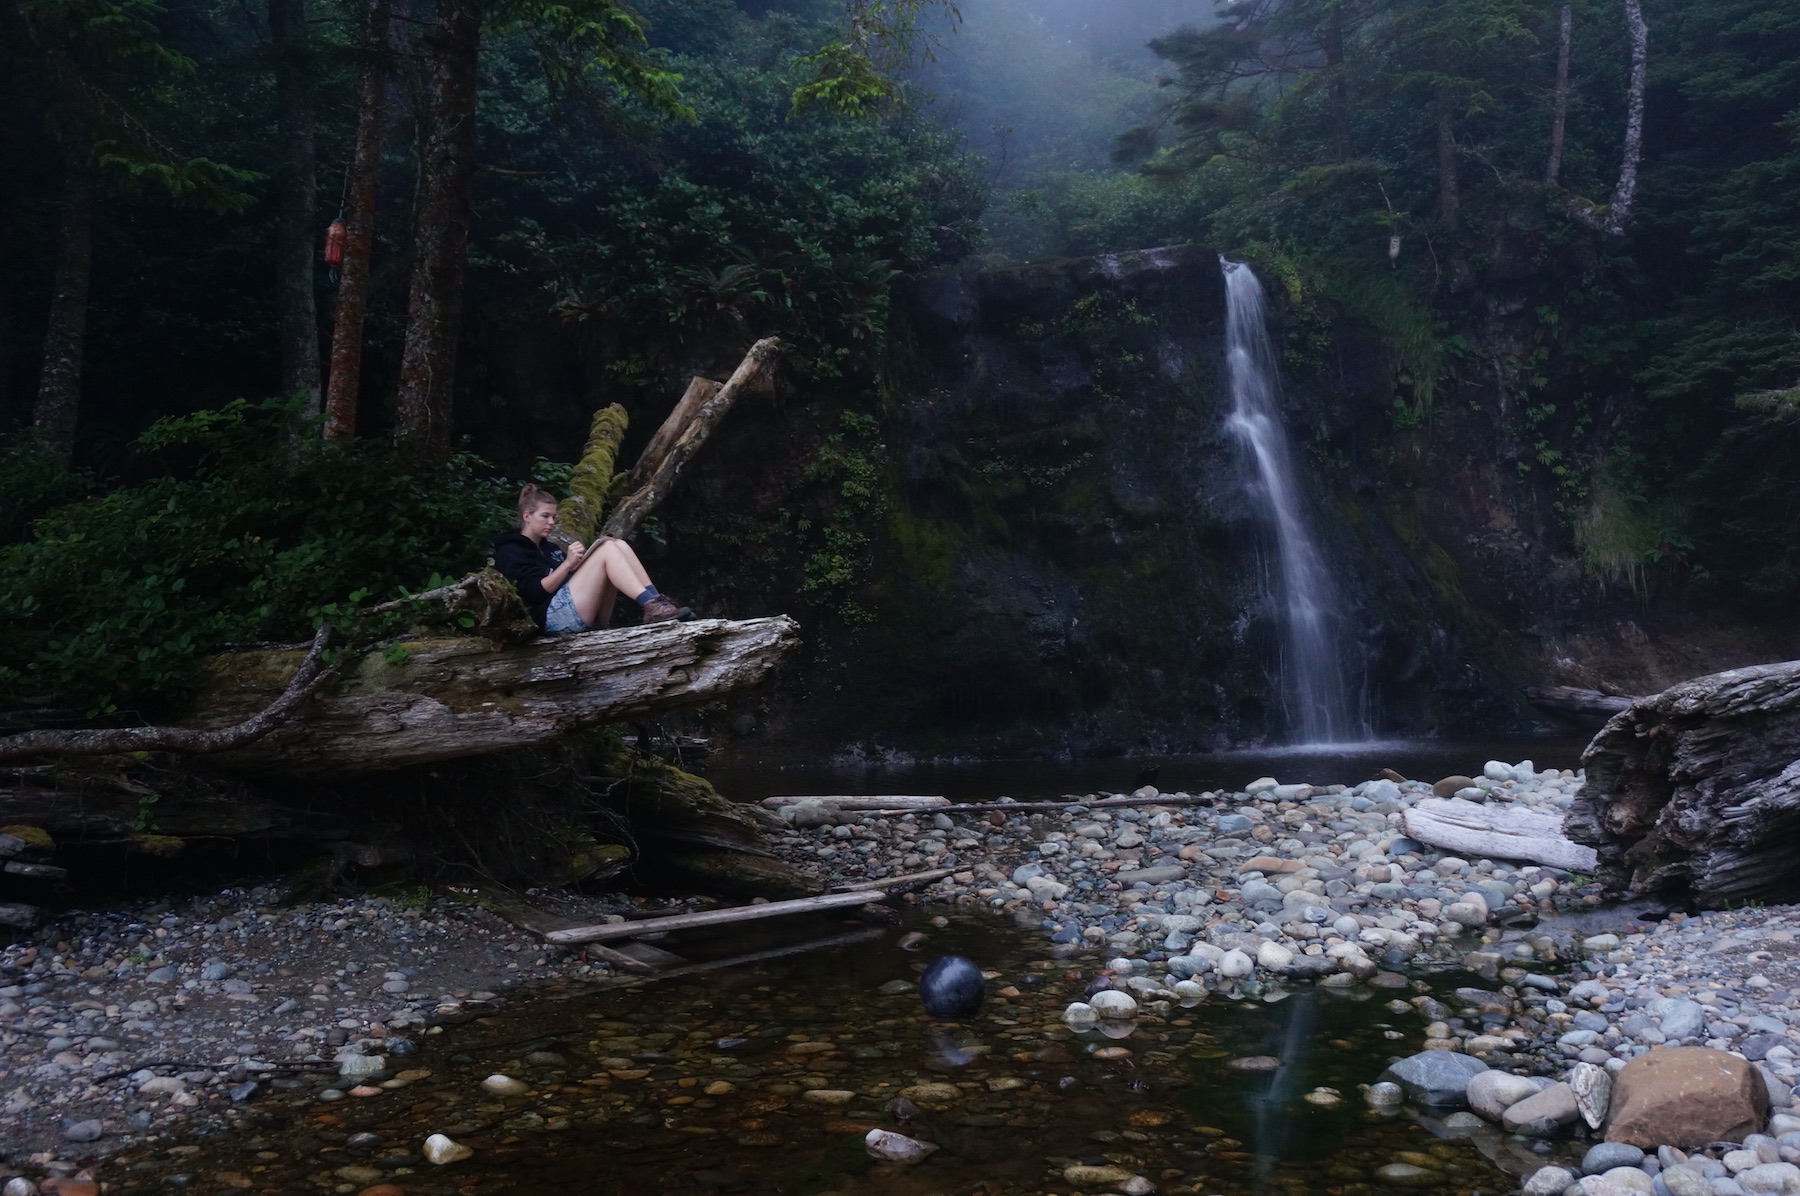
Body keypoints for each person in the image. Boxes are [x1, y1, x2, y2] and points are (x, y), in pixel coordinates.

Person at [492, 484, 693, 633]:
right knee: (606, 549)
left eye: (554, 517)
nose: (552, 522)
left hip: (578, 610)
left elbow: (568, 579)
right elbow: (533, 594)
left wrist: (576, 565)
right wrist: (568, 564)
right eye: (545, 516)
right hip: (549, 620)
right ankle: (654, 609)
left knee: (617, 544)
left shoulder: (549, 548)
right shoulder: (511, 551)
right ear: (527, 516)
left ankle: (659, 605)